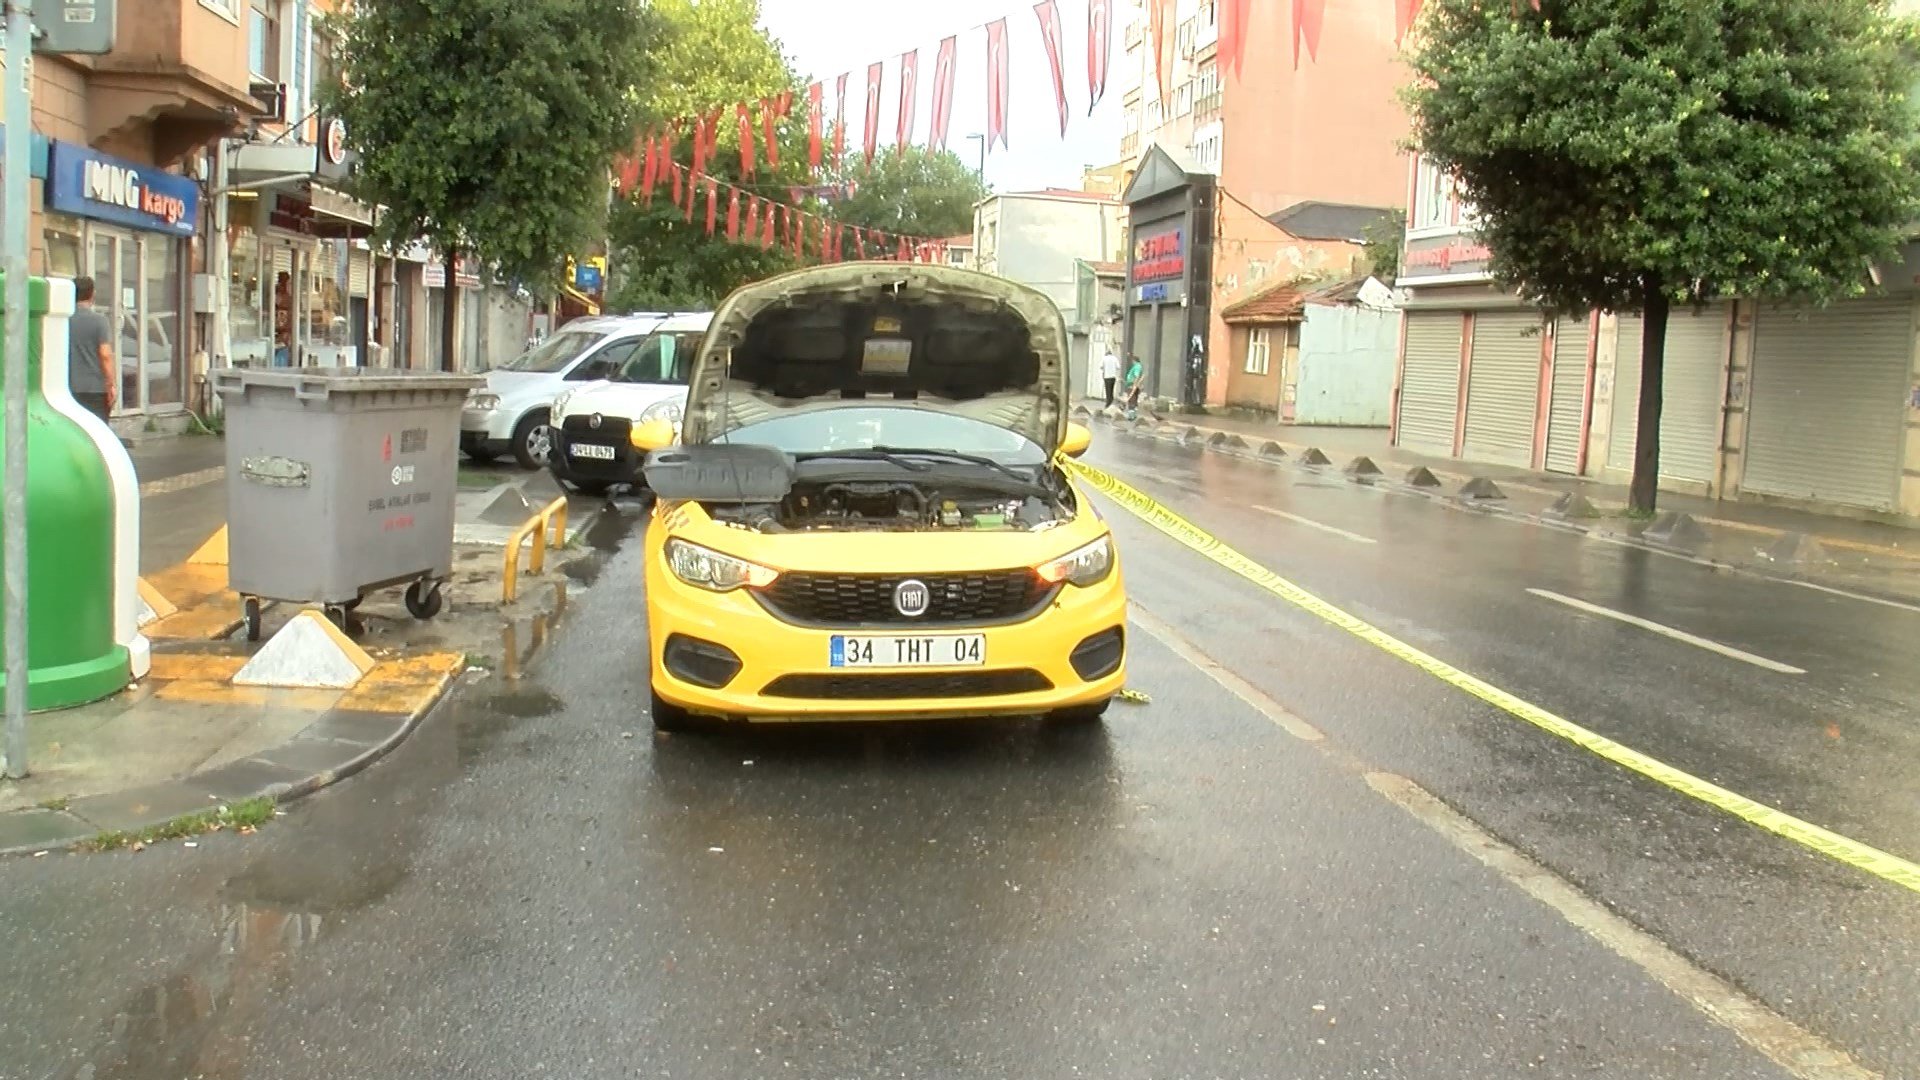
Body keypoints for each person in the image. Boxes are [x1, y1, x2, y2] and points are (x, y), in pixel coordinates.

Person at [68, 276, 115, 422]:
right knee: (97, 431)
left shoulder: (64, 319)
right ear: (92, 294)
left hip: (69, 387)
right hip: (95, 388)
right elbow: (105, 354)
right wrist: (111, 384)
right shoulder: (100, 321)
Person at [1122, 353, 1145, 420]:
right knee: (1134, 400)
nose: (1132, 362)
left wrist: (1134, 385)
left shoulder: (1137, 366)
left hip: (1132, 386)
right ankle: (1134, 415)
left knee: (1131, 400)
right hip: (1133, 385)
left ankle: (1131, 416)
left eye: (1132, 360)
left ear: (1134, 360)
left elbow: (1136, 376)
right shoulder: (1138, 366)